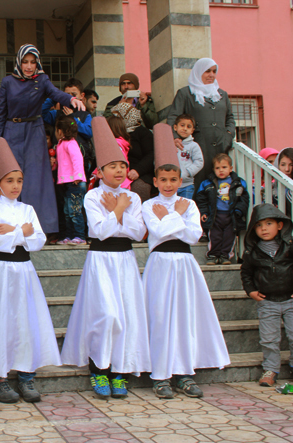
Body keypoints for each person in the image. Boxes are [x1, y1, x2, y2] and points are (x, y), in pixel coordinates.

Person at [60, 117, 150, 400]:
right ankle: (98, 366)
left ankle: (119, 371)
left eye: (123, 165)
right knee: (105, 314)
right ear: (100, 171)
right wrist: (119, 211)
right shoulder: (91, 197)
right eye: (113, 166)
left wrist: (120, 211)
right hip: (100, 260)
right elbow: (98, 231)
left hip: (124, 259)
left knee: (126, 314)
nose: (119, 170)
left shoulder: (133, 198)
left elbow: (137, 233)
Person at [142, 123, 229, 399]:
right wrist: (175, 218)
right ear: (155, 181)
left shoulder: (188, 204)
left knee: (184, 316)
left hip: (185, 264)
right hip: (160, 265)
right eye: (163, 180)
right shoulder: (148, 205)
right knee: (160, 316)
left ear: (180, 181)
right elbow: (158, 233)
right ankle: (160, 374)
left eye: (173, 180)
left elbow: (194, 236)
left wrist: (174, 217)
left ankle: (184, 372)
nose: (168, 185)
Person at [0, 137, 60, 404]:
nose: (15, 186)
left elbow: (38, 240)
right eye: (9, 181)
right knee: (1, 320)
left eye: (19, 181)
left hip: (24, 270)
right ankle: (0, 378)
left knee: (26, 321)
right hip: (1, 271)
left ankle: (26, 376)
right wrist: (21, 232)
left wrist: (13, 233)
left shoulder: (28, 209)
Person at [0, 44, 85, 234]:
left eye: (32, 62)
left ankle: (38, 227)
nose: (28, 66)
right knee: (12, 176)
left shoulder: (42, 79)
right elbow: (0, 114)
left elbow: (55, 93)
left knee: (36, 178)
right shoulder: (8, 82)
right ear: (19, 62)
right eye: (25, 62)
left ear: (37, 63)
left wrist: (71, 99)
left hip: (35, 130)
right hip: (12, 129)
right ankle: (10, 224)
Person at [240, 203, 293, 387]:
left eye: (269, 223)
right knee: (269, 338)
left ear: (280, 225)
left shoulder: (289, 246)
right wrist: (251, 290)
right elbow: (246, 273)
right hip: (267, 301)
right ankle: (271, 369)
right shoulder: (252, 252)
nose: (263, 228)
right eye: (259, 225)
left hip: (290, 300)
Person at [166, 58, 236, 191]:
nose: (211, 75)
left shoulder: (221, 94)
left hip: (221, 145)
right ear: (198, 72)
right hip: (197, 146)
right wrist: (175, 137)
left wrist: (228, 134)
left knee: (219, 185)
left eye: (214, 71)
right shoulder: (186, 93)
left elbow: (230, 118)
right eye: (207, 71)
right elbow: (173, 117)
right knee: (198, 184)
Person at [194, 153, 248, 265]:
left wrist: (239, 211)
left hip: (231, 215)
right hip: (215, 215)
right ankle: (213, 255)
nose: (221, 170)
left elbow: (244, 199)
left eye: (224, 167)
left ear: (231, 168)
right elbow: (201, 199)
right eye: (217, 168)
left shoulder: (238, 183)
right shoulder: (207, 183)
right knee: (214, 236)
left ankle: (225, 256)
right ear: (213, 169)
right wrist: (204, 212)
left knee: (229, 236)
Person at [110, 102, 155, 202]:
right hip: (118, 172)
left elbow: (151, 154)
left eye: (118, 117)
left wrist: (137, 171)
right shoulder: (115, 133)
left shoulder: (142, 133)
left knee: (139, 188)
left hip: (140, 173)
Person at [55, 115, 86, 245]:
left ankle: (80, 236)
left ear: (61, 131)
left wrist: (78, 176)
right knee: (68, 211)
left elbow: (77, 159)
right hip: (68, 182)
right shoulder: (61, 144)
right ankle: (69, 236)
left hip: (75, 182)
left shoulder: (71, 143)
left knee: (75, 210)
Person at [171, 114, 204, 199]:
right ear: (175, 127)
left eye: (188, 127)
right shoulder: (170, 144)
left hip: (187, 185)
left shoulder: (194, 146)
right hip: (170, 184)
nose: (185, 128)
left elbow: (199, 162)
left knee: (185, 208)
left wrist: (188, 172)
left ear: (192, 130)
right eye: (182, 125)